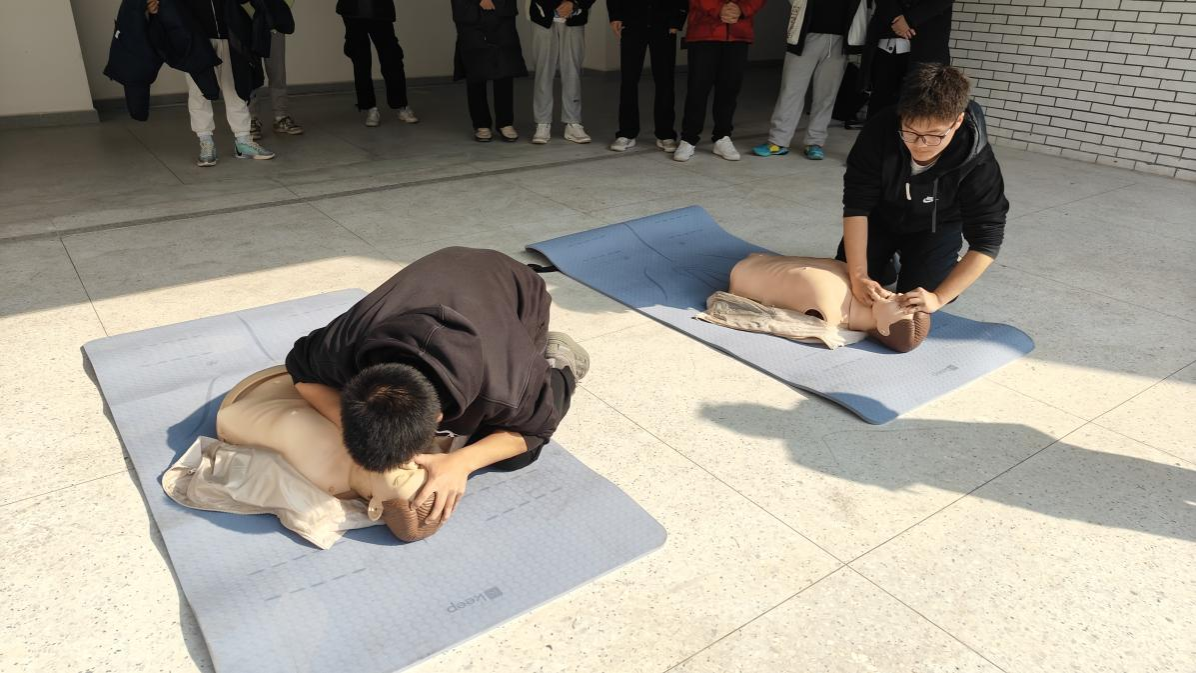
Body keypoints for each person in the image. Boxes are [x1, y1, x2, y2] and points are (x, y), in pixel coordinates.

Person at [217, 248, 590, 540]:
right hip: (445, 270)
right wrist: (345, 423)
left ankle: (562, 361)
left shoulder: (507, 383)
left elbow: (537, 430)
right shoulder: (343, 345)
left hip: (514, 286)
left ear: (438, 418)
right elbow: (301, 370)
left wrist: (462, 463)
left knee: (516, 456)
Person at [837, 63, 1007, 318]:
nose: (921, 144)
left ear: (958, 121)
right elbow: (856, 205)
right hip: (880, 217)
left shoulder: (977, 160)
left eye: (935, 135)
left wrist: (939, 297)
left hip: (936, 226)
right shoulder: (879, 130)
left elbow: (987, 239)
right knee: (846, 281)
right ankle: (886, 263)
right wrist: (859, 275)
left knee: (920, 297)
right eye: (911, 132)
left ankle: (937, 262)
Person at [700, 253, 930, 352]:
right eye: (906, 298)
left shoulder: (828, 313)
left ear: (884, 328)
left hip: (743, 275)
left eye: (902, 307)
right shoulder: (860, 290)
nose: (900, 295)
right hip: (753, 265)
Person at [148, 0, 275, 166]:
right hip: (195, 41)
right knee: (198, 92)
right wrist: (154, 10)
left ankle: (243, 141)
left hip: (230, 36)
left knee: (235, 89)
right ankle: (206, 142)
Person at [753, 0, 861, 161]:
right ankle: (777, 141)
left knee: (827, 95)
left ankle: (815, 142)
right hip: (805, 35)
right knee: (791, 90)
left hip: (841, 40)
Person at [674, 0, 766, 163]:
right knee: (698, 88)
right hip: (704, 31)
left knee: (729, 89)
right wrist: (718, 9)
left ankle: (722, 136)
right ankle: (688, 138)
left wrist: (742, 9)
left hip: (738, 33)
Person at [607, 0, 688, 153]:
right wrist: (615, 15)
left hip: (664, 23)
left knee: (665, 80)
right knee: (629, 80)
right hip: (632, 21)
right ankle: (626, 132)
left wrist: (677, 20)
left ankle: (665, 134)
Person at [452, 0, 529, 142]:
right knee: (475, 69)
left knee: (504, 67)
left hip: (501, 9)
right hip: (470, 11)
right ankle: (481, 124)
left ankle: (505, 122)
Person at [863, 0, 953, 119]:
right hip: (888, 38)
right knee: (880, 102)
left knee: (920, 105)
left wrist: (910, 19)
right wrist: (897, 18)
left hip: (927, 41)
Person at [336, 0, 419, 127]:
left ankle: (401, 105)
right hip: (353, 13)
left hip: (380, 12)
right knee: (361, 62)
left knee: (391, 59)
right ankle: (370, 108)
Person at [529, 0, 596, 145]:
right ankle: (542, 122)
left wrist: (574, 4)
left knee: (572, 72)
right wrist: (557, 4)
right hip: (543, 16)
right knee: (543, 72)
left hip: (575, 17)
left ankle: (573, 122)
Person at [249, 0, 304, 138]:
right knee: (250, 73)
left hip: (273, 23)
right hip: (246, 23)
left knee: (277, 72)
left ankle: (281, 116)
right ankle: (251, 119)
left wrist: (278, 9)